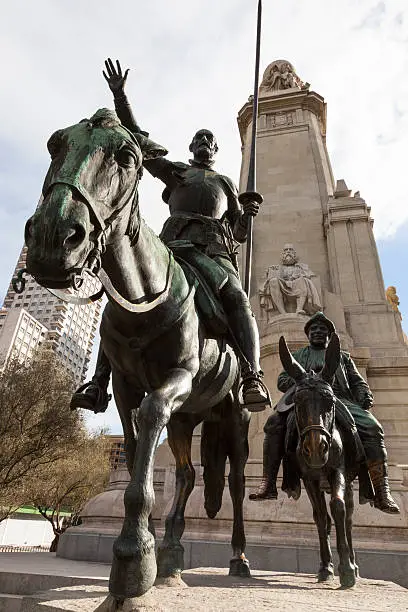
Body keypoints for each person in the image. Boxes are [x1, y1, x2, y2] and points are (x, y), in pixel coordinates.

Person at [71, 58, 270, 414]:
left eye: (209, 140)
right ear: (191, 147)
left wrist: (248, 215)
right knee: (123, 295)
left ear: (216, 150)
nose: (203, 143)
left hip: (213, 254)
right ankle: (99, 381)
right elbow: (141, 142)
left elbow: (237, 232)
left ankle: (252, 375)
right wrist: (121, 98)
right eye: (198, 139)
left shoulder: (226, 184)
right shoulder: (177, 172)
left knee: (239, 301)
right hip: (173, 248)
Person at [249, 311, 400, 514]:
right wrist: (303, 381)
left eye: (322, 329)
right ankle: (268, 484)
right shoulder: (300, 355)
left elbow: (357, 382)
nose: (318, 332)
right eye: (313, 329)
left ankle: (382, 492)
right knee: (273, 424)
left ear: (329, 335)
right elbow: (282, 380)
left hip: (338, 400)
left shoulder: (344, 358)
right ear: (308, 334)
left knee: (373, 427)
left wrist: (364, 393)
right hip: (305, 401)